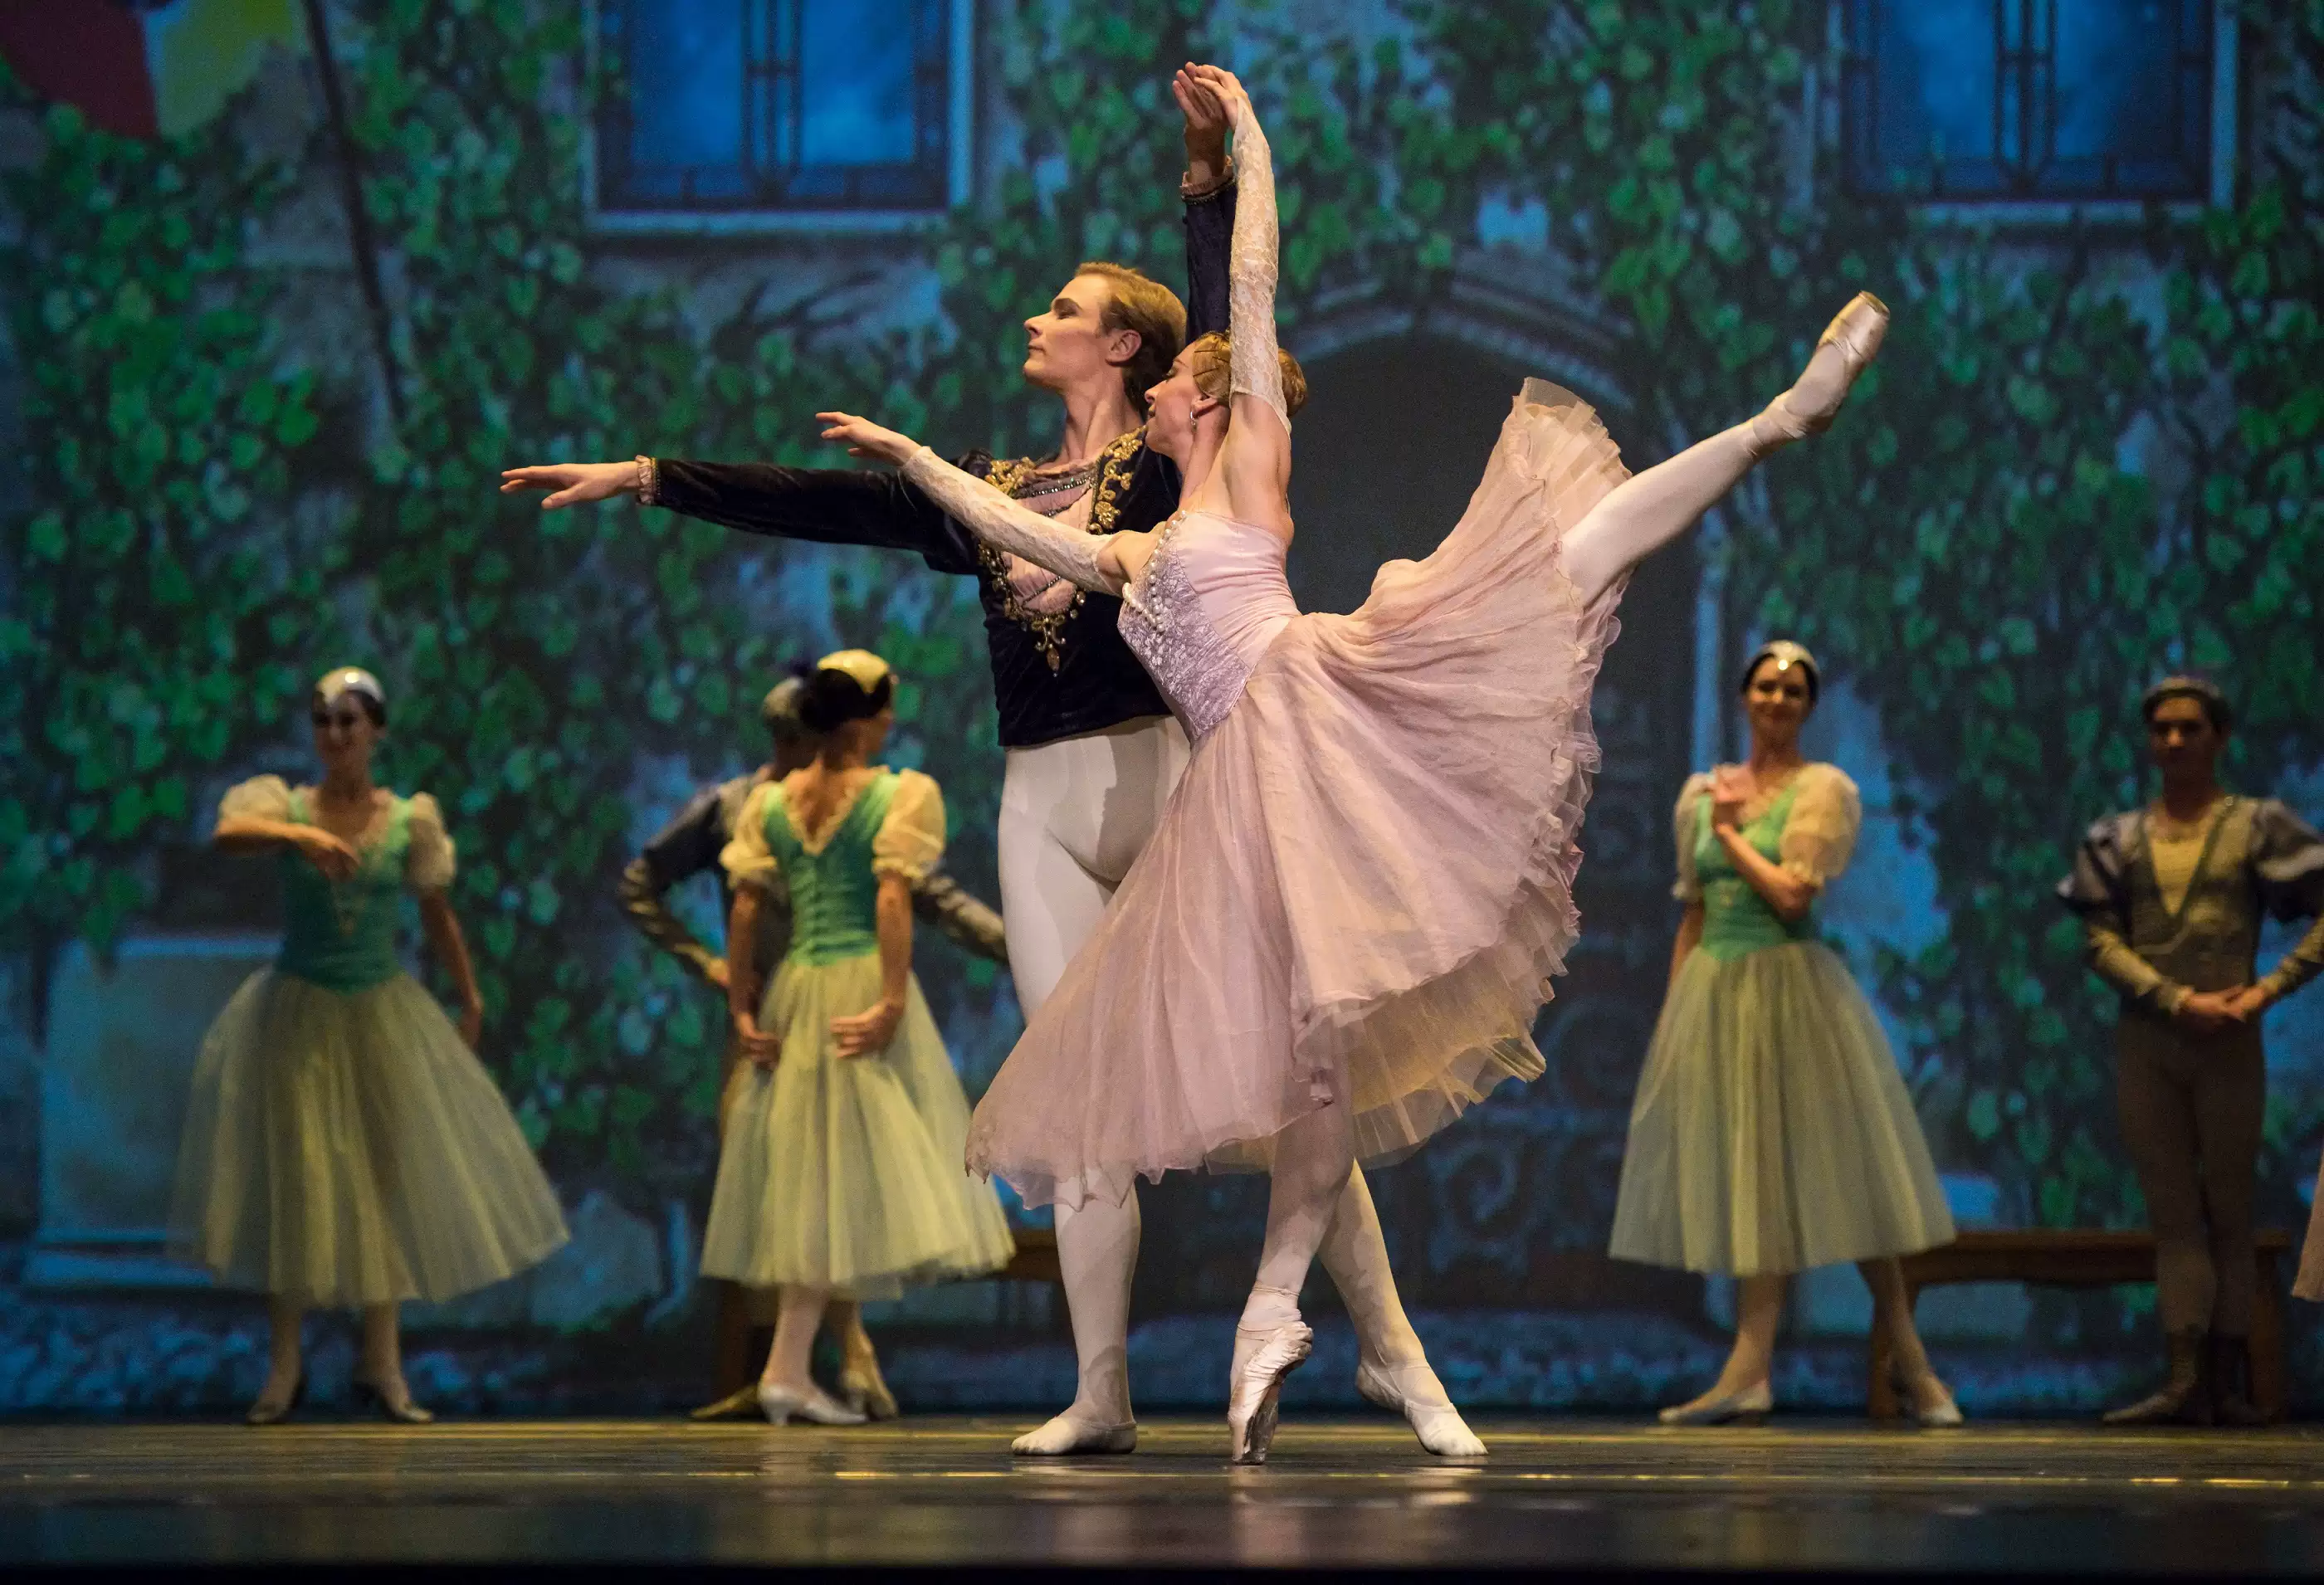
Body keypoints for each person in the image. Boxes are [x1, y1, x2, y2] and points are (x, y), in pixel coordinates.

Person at [813, 64, 1892, 1461]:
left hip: (1326, 704)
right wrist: (909, 455)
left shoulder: (1248, 458)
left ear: (1201, 397)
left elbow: (1253, 284)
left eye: (1175, 379)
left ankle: (1779, 418)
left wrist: (1253, 141)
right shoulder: (1131, 551)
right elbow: (1010, 529)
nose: (1160, 387)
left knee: (1567, 557)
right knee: (1313, 1064)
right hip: (1242, 795)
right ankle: (1289, 1316)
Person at [501, 71, 1471, 1461]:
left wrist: (1209, 178)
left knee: (1290, 1079)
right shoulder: (996, 493)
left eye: (1064, 309)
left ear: (1124, 347)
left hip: (1176, 789)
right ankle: (1100, 1390)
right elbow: (839, 503)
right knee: (1081, 1105)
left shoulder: (1172, 467)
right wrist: (656, 475)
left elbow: (1223, 331)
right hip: (1042, 805)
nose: (1036, 320)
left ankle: (1396, 1352)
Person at [172, 667, 568, 1424]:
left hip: (378, 1010)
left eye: (350, 722)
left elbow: (437, 911)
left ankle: (382, 1362)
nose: (336, 736)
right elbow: (227, 835)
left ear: (376, 731)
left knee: (385, 1181)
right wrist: (299, 836)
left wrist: (470, 994)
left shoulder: (408, 820)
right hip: (300, 1011)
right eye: (324, 722)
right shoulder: (287, 807)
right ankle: (284, 1366)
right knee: (296, 1180)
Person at [621, 675, 1008, 1422]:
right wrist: (891, 998)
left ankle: (796, 1367)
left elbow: (745, 906)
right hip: (855, 979)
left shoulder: (771, 803)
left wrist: (741, 1003)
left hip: (796, 988)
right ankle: (792, 1370)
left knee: (815, 1184)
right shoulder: (892, 795)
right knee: (829, 1184)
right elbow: (892, 897)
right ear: (862, 724)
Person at [1607, 641, 1960, 1426]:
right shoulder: (1702, 795)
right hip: (1718, 991)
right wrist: (1675, 1017)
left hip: (1789, 993)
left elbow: (1794, 898)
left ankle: (1909, 1357)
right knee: (1749, 1176)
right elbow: (1695, 911)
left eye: (1793, 690)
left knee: (1850, 1175)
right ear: (1744, 697)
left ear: (1808, 706)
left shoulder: (1821, 790)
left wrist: (1734, 835)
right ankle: (1752, 1368)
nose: (1777, 699)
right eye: (1766, 686)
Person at [2060, 676, 2324, 1425]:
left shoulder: (2255, 826)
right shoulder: (2118, 837)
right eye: (2163, 729)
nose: (2175, 741)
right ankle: (2182, 1379)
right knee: (2173, 1213)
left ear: (2219, 737)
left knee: (2231, 1211)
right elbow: (2099, 938)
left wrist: (2267, 991)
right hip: (2151, 1040)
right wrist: (2174, 998)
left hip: (2231, 1041)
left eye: (2190, 728)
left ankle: (2225, 1383)